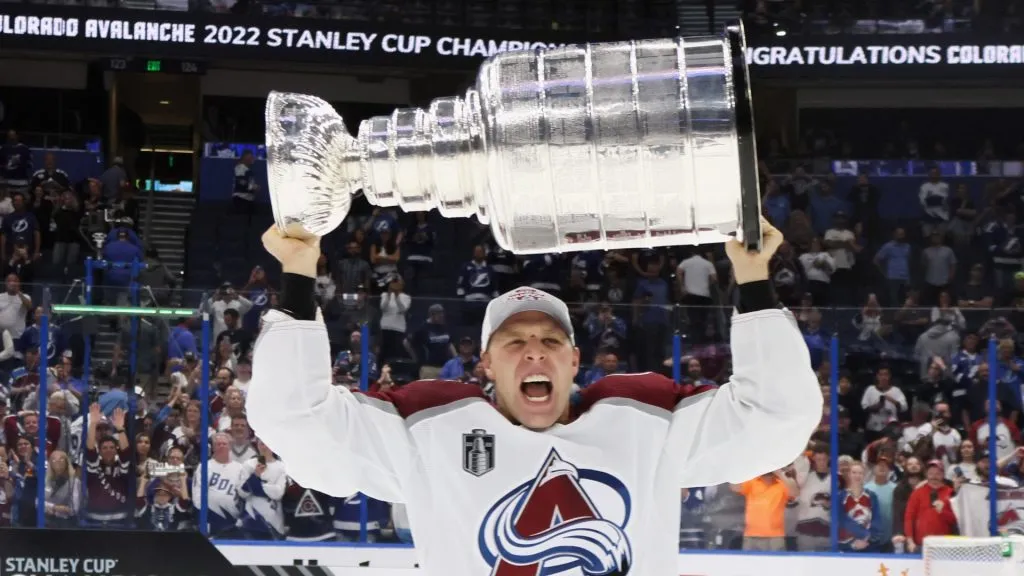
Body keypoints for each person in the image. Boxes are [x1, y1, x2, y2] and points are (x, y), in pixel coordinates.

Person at [248, 219, 822, 575]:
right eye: (514, 341)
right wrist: (298, 276)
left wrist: (753, 280)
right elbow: (295, 421)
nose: (534, 353)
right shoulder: (431, 428)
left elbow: (777, 418)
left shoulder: (643, 421)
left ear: (576, 361)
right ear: (486, 364)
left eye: (551, 341)